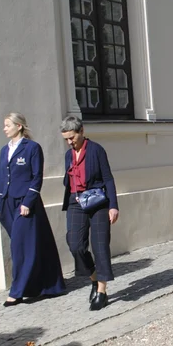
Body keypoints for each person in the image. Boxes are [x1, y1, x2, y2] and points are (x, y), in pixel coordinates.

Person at [0, 114, 66, 306]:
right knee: (35, 244)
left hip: (25, 203)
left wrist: (28, 202)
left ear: (19, 126)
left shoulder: (32, 148)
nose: (4, 129)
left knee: (19, 247)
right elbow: (1, 178)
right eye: (4, 125)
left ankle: (16, 292)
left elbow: (36, 177)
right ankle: (49, 285)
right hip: (8, 203)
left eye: (7, 125)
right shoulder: (4, 150)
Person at [60, 116, 119, 311]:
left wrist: (113, 206)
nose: (70, 142)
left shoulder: (96, 150)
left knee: (100, 245)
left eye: (72, 138)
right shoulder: (69, 154)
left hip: (98, 201)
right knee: (75, 244)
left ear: (81, 131)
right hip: (76, 202)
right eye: (66, 139)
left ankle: (102, 291)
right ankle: (94, 277)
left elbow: (108, 178)